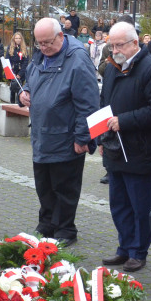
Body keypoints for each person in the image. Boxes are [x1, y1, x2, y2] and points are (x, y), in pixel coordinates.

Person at [97, 22, 151, 272]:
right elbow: (104, 102)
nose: (115, 50)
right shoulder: (111, 67)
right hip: (115, 148)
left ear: (135, 44)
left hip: (140, 150)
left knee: (139, 206)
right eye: (112, 45)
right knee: (118, 204)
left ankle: (139, 251)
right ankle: (124, 247)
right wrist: (100, 137)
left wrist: (125, 121)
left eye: (120, 45)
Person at [18, 18, 100, 245]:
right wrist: (24, 92)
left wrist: (83, 136)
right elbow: (31, 78)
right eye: (39, 43)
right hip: (42, 135)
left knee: (64, 187)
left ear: (61, 36)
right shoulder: (40, 55)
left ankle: (65, 229)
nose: (43, 48)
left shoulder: (77, 59)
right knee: (43, 184)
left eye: (48, 43)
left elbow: (88, 102)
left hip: (66, 136)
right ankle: (46, 225)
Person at [6, 32, 30, 105]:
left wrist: (20, 74)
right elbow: (7, 60)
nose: (18, 40)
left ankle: (19, 104)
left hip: (21, 72)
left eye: (19, 38)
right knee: (12, 90)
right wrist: (12, 73)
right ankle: (12, 104)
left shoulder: (24, 48)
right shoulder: (10, 48)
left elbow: (25, 62)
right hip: (12, 72)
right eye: (16, 38)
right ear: (14, 39)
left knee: (20, 90)